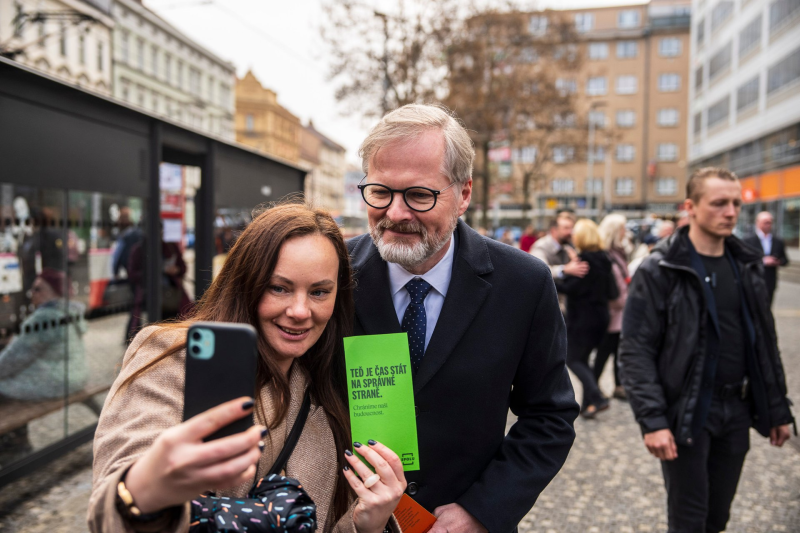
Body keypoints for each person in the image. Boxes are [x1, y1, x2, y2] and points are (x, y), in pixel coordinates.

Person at [89, 204, 407, 533]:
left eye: (319, 292)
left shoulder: (329, 388)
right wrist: (146, 486)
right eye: (279, 288)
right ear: (246, 283)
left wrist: (366, 524)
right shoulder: (173, 357)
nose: (300, 311)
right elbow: (109, 514)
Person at [347, 104, 578, 533]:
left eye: (419, 195)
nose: (396, 213)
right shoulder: (331, 275)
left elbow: (549, 416)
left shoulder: (523, 284)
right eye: (380, 192)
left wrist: (482, 511)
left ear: (464, 194)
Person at [619, 167, 794, 533]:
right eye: (719, 203)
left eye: (735, 203)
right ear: (691, 207)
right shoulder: (661, 268)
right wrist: (652, 421)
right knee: (689, 519)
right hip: (688, 410)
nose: (730, 212)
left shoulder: (746, 263)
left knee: (717, 518)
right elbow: (635, 350)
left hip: (737, 409)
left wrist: (777, 408)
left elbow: (763, 339)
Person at [0, 268, 88, 466]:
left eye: (38, 289)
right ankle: (18, 443)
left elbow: (10, 362)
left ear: (53, 292)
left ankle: (13, 448)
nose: (32, 294)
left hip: (54, 382)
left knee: (4, 387)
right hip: (75, 376)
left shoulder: (43, 318)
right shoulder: (69, 311)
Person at [557, 219, 616, 418]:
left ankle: (597, 397)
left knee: (572, 359)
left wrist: (554, 279)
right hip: (601, 317)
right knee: (583, 359)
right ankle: (587, 405)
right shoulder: (604, 258)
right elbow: (610, 290)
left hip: (583, 319)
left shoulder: (585, 261)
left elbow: (571, 288)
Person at [596, 214, 629, 401]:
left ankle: (618, 385)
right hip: (613, 311)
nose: (625, 233)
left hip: (620, 311)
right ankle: (593, 386)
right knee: (604, 351)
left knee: (618, 351)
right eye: (622, 229)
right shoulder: (607, 255)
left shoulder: (618, 252)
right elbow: (612, 287)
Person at [743, 211, 789, 307]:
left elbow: (785, 260)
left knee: (767, 309)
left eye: (770, 222)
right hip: (752, 281)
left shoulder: (778, 241)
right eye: (765, 222)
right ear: (758, 222)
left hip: (770, 281)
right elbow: (743, 259)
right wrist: (762, 261)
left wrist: (778, 261)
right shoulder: (747, 240)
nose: (768, 225)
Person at [530, 211, 589, 281]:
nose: (570, 232)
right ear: (554, 230)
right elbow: (539, 271)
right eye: (566, 228)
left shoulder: (568, 247)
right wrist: (564, 269)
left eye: (572, 228)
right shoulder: (540, 246)